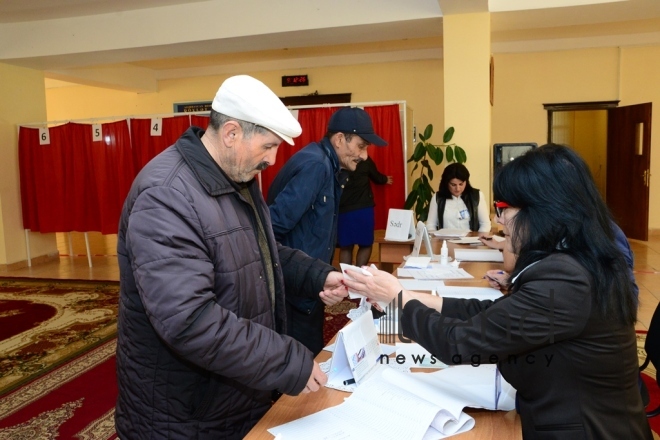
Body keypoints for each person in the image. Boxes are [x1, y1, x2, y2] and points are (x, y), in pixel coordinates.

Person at [344, 143, 651, 439]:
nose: (498, 220)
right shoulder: (580, 257)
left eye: (503, 209)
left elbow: (459, 342)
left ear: (542, 211)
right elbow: (500, 315)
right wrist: (419, 298)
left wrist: (398, 299)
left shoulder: (566, 278)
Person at [115, 75, 348, 439]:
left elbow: (264, 254)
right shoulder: (166, 195)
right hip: (185, 412)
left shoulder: (239, 177)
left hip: (234, 392)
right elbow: (189, 320)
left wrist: (319, 276)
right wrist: (285, 361)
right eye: (268, 146)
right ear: (232, 133)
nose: (273, 159)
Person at [267, 106, 387, 356]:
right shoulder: (316, 165)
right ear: (340, 139)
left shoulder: (325, 163)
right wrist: (304, 275)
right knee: (302, 366)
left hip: (310, 288)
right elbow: (274, 225)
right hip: (296, 293)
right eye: (361, 146)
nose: (364, 156)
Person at [338, 156, 393, 267]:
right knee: (366, 244)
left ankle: (346, 277)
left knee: (346, 247)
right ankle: (359, 274)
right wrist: (385, 179)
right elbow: (376, 177)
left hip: (344, 209)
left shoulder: (340, 158)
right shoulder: (365, 159)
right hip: (363, 209)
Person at [425, 162, 491, 233]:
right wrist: (436, 240)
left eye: (461, 184)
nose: (458, 188)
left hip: (470, 241)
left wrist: (476, 239)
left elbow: (485, 224)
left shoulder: (477, 196)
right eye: (453, 185)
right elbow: (431, 225)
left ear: (466, 182)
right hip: (445, 241)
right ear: (446, 183)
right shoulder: (438, 198)